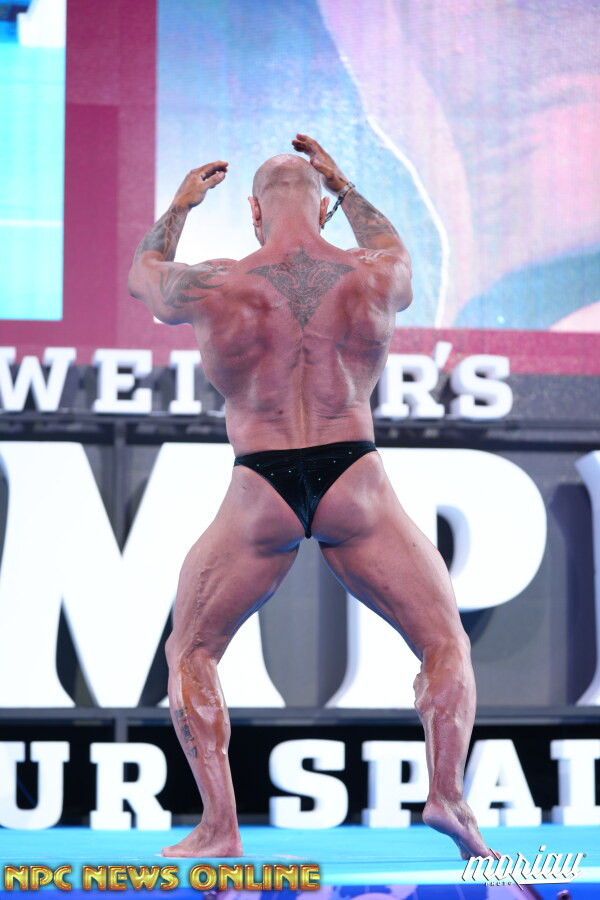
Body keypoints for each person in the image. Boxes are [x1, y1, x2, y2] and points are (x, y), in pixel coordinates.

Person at [128, 134, 493, 861]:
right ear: (324, 209)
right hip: (354, 476)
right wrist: (347, 186)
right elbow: (396, 250)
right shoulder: (373, 272)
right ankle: (447, 794)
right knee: (443, 641)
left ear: (254, 212)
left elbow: (145, 278)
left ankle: (219, 827)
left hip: (259, 482)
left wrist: (180, 207)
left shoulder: (215, 282)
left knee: (192, 650)